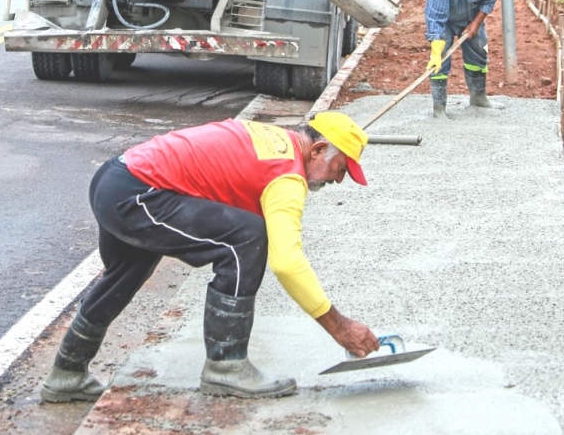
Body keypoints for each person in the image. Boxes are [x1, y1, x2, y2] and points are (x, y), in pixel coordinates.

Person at [41, 112, 380, 402]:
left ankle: (66, 375)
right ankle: (226, 366)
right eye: (340, 168)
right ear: (318, 149)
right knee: (247, 237)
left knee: (128, 270)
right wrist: (340, 326)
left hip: (116, 179)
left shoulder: (275, 138)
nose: (339, 180)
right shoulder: (287, 176)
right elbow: (287, 263)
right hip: (139, 194)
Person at [424, 0, 503, 118]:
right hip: (445, 21)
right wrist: (436, 48)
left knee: (478, 51)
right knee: (440, 60)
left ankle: (478, 98)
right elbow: (435, 12)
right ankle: (439, 108)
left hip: (471, 17)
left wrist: (475, 23)